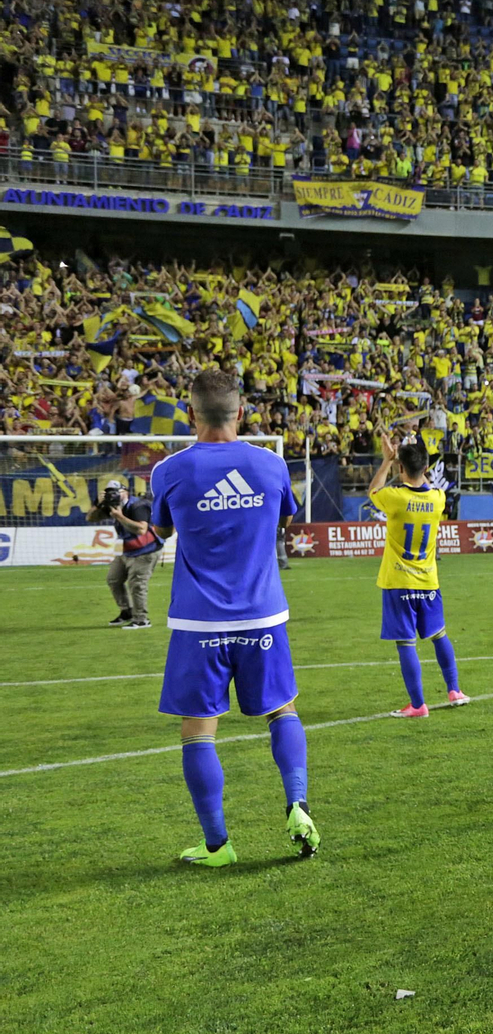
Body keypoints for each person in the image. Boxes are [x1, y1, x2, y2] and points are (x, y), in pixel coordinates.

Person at [149, 369, 318, 866]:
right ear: (241, 412)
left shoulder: (169, 471)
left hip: (199, 622)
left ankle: (218, 845)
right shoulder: (270, 466)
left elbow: (160, 530)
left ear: (190, 414)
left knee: (198, 731)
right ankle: (297, 802)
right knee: (281, 710)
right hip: (263, 616)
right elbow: (285, 520)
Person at [369, 433, 468, 719]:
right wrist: (411, 458)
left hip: (398, 582)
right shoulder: (437, 499)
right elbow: (423, 482)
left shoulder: (395, 497)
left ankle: (417, 704)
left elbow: (372, 492)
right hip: (428, 581)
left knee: (406, 643)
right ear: (426, 468)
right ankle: (454, 690)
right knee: (439, 635)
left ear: (401, 468)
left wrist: (387, 461)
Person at [93, 475, 165, 630]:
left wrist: (120, 517)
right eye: (109, 493)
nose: (112, 495)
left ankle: (141, 619)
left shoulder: (137, 505)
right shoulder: (110, 505)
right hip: (127, 550)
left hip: (146, 550)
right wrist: (98, 504)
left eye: (114, 492)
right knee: (113, 579)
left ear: (124, 492)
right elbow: (91, 518)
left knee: (137, 584)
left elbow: (141, 529)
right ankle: (127, 612)